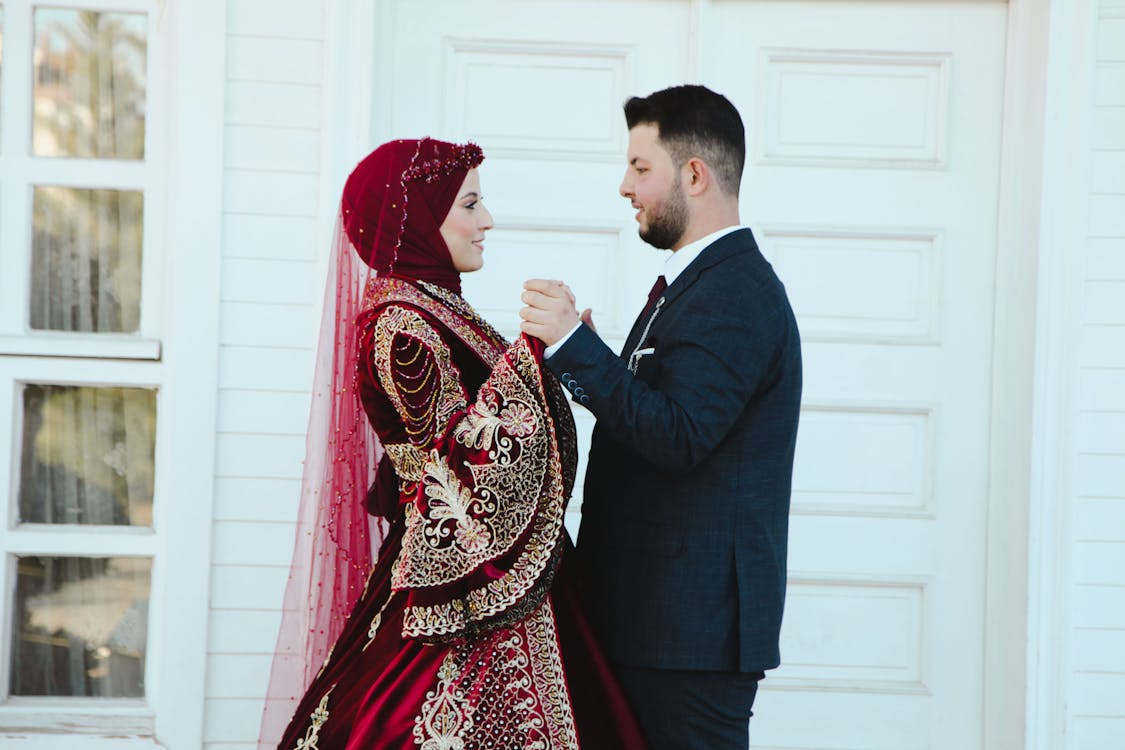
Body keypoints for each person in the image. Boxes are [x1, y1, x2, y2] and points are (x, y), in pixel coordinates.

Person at [259, 138, 647, 749]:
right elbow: (460, 470)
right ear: (417, 218)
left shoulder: (432, 307)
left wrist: (553, 358)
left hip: (498, 576)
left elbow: (470, 423)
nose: (487, 219)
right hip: (460, 583)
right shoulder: (402, 329)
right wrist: (538, 354)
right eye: (470, 204)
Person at [519, 85, 802, 749]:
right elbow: (657, 412)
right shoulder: (700, 282)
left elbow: (678, 437)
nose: (624, 186)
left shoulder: (733, 290)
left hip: (687, 636)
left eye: (640, 168)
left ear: (694, 174)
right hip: (651, 622)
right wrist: (584, 358)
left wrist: (573, 349)